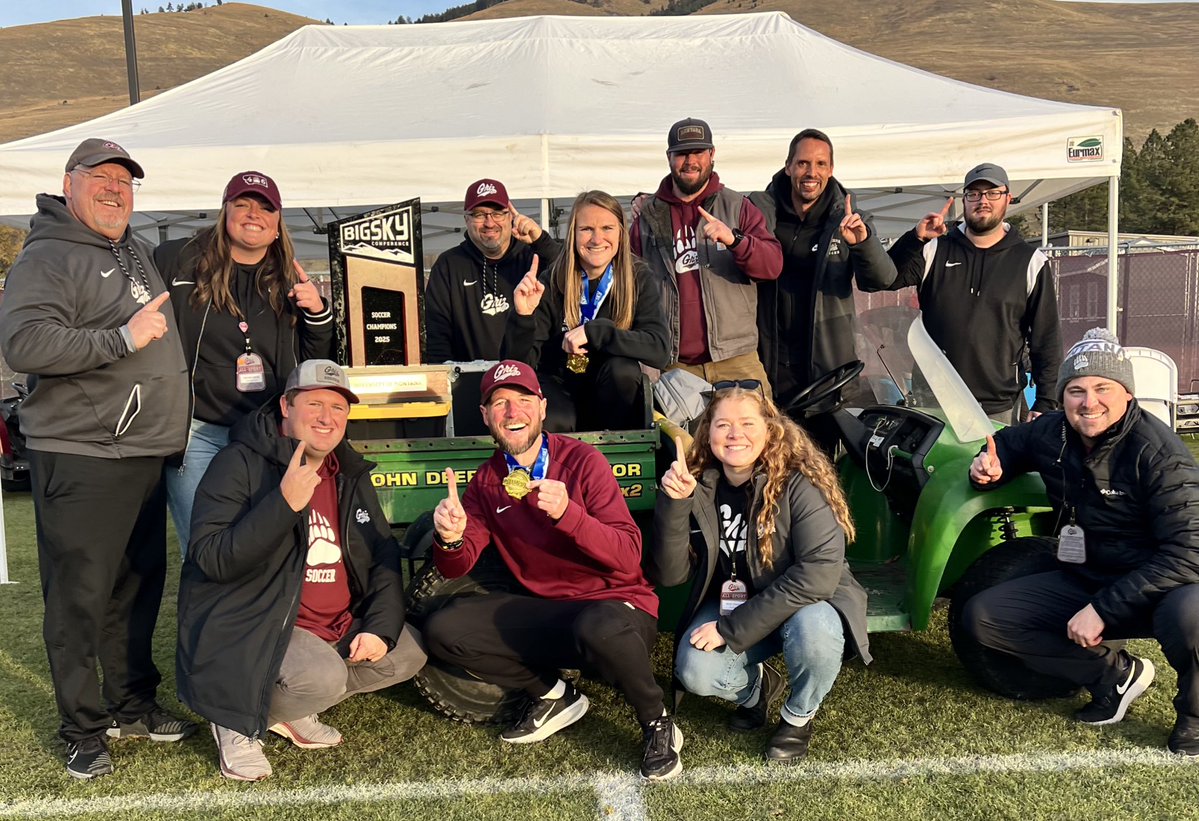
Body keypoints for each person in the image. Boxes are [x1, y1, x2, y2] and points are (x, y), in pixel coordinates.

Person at [0, 138, 193, 779]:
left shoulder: (131, 247)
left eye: (125, 180)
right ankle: (82, 727)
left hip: (139, 452)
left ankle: (132, 704)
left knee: (135, 589)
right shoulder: (49, 253)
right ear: (70, 183)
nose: (115, 189)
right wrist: (121, 338)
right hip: (83, 453)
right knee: (80, 597)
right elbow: (24, 341)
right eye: (102, 178)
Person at [423, 360, 682, 781]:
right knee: (444, 629)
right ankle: (553, 694)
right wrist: (450, 536)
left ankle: (657, 720)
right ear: (486, 416)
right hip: (550, 612)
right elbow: (457, 565)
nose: (512, 411)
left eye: (523, 400)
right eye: (500, 403)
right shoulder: (486, 483)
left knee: (597, 625)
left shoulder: (583, 461)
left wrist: (569, 515)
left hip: (617, 609)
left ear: (542, 408)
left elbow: (628, 556)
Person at [176, 359, 427, 781]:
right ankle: (235, 719)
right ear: (286, 408)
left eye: (339, 408)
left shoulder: (348, 470)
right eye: (315, 404)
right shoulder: (239, 463)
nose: (327, 418)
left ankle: (290, 708)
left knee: (407, 652)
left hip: (333, 623)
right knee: (322, 678)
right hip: (258, 624)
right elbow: (212, 558)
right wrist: (283, 505)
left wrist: (380, 630)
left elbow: (382, 554)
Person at [961, 328, 1199, 756]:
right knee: (984, 617)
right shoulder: (1053, 432)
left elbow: (1189, 553)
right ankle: (1115, 678)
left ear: (1127, 393)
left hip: (1160, 586)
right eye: (1076, 390)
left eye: (1102, 388)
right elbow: (1009, 445)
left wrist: (1101, 610)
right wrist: (990, 466)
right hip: (1088, 574)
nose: (1089, 402)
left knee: (1192, 616)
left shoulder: (1161, 455)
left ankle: (1195, 717)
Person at [650, 384, 870, 763]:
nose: (735, 434)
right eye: (723, 425)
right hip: (734, 602)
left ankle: (798, 717)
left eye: (747, 423)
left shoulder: (800, 482)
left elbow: (818, 574)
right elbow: (671, 575)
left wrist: (730, 631)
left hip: (804, 603)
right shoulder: (701, 483)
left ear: (770, 429)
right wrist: (675, 504)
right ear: (708, 433)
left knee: (815, 631)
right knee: (695, 671)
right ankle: (757, 690)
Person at [155, 170, 334, 552]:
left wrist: (318, 313)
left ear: (277, 224)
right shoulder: (179, 262)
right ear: (225, 212)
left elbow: (312, 362)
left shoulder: (290, 279)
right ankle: (206, 614)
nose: (254, 213)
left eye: (265, 207)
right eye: (243, 204)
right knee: (203, 547)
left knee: (265, 542)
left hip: (266, 434)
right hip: (197, 433)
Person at [748, 129, 897, 454]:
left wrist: (863, 243)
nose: (811, 172)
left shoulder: (847, 217)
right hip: (768, 371)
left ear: (830, 169)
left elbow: (882, 279)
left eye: (820, 164)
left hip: (824, 376)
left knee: (820, 478)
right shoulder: (758, 214)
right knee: (769, 474)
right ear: (788, 166)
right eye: (802, 163)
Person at [886, 162, 1062, 424]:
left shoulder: (1031, 261)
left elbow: (1046, 339)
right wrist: (915, 238)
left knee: (992, 466)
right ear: (965, 200)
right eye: (974, 194)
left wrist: (1046, 401)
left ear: (1008, 198)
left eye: (992, 193)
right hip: (933, 402)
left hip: (996, 406)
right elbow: (886, 278)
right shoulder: (934, 249)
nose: (983, 201)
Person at [630, 118, 783, 388]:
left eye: (698, 152)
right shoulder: (647, 215)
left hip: (736, 358)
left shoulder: (738, 207)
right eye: (681, 153)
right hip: (674, 365)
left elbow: (772, 266)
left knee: (758, 430)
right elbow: (628, 284)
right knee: (680, 433)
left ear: (712, 155)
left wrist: (735, 240)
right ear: (669, 158)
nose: (690, 161)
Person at [503, 190, 669, 432]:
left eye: (607, 228)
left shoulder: (638, 278)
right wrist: (522, 318)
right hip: (561, 392)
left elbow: (659, 349)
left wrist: (595, 333)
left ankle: (620, 457)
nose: (597, 239)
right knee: (552, 413)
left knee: (622, 371)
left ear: (621, 233)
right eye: (587, 229)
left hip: (611, 398)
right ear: (573, 234)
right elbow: (519, 365)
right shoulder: (552, 280)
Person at [424, 179, 562, 363]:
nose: (489, 223)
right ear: (466, 219)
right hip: (469, 381)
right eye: (479, 214)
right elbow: (437, 338)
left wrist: (542, 240)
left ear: (510, 216)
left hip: (531, 380)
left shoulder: (534, 257)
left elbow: (571, 272)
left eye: (497, 213)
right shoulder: (448, 265)